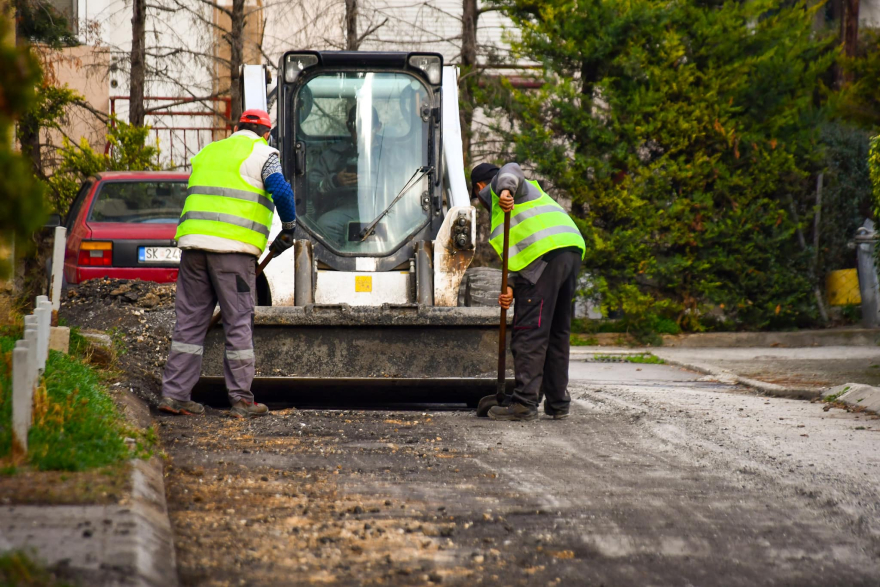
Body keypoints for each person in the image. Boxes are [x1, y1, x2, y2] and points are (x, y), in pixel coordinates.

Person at [158, 109, 297, 419]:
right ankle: (241, 400)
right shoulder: (263, 153)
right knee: (238, 323)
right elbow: (282, 191)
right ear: (266, 133)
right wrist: (289, 228)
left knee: (190, 322)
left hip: (193, 249)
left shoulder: (208, 152)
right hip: (233, 254)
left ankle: (175, 395)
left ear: (236, 129)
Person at [470, 162, 586, 421]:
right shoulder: (517, 207)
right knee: (556, 332)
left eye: (478, 198)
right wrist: (511, 286)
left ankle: (524, 404)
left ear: (480, 188)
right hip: (568, 250)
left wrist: (504, 190)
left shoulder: (507, 187)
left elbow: (511, 169)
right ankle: (557, 403)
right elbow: (518, 255)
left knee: (529, 333)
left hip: (547, 257)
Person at [311, 105, 384, 244]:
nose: (360, 131)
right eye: (355, 126)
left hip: (387, 208)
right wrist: (335, 181)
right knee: (325, 225)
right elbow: (310, 187)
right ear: (348, 127)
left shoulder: (393, 153)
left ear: (378, 127)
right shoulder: (333, 155)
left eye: (366, 126)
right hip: (346, 209)